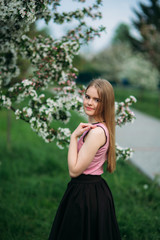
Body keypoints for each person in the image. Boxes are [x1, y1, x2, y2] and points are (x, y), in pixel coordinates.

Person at [48, 79, 121, 240]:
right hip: (88, 189)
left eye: (97, 100)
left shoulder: (96, 133)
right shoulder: (97, 129)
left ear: (106, 103)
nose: (89, 102)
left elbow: (74, 170)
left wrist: (74, 137)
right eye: (87, 97)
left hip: (86, 194)